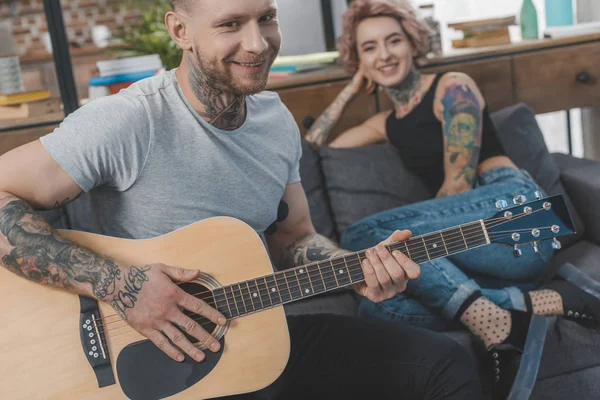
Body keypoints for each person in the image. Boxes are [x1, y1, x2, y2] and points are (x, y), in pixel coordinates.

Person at [0, 0, 482, 399]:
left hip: (254, 334)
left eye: (266, 18)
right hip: (157, 360)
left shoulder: (276, 121)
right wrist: (118, 283)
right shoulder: (128, 121)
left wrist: (355, 269)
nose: (257, 43)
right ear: (181, 30)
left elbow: (293, 236)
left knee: (446, 366)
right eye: (231, 24)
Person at [304, 0, 600, 398]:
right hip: (479, 253)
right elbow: (311, 149)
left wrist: (415, 252)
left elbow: (458, 186)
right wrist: (352, 87)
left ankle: (496, 321)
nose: (385, 54)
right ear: (358, 59)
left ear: (413, 43)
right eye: (369, 47)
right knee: (377, 307)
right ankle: (535, 303)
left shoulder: (451, 85)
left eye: (394, 40)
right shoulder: (384, 124)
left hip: (516, 214)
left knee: (366, 237)